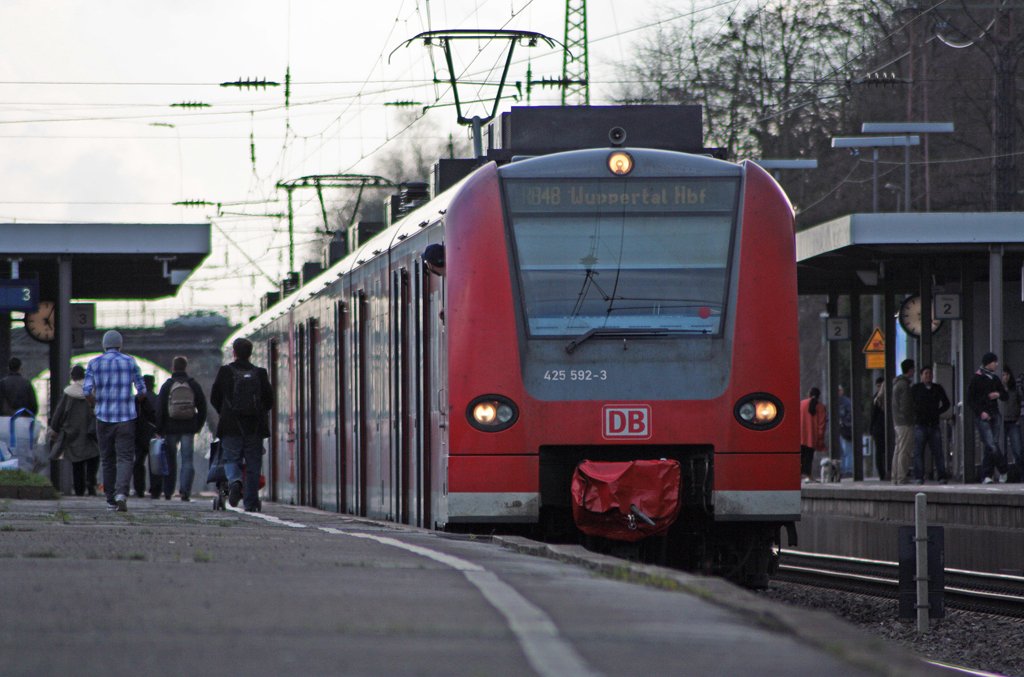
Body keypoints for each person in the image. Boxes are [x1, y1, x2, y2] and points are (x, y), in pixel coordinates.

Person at [83, 330, 146, 512]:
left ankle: (110, 499)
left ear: (104, 345)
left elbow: (87, 391)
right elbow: (142, 391)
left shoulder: (94, 363)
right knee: (125, 458)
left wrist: (96, 405)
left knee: (107, 459)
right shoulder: (130, 362)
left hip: (103, 417)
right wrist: (131, 401)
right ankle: (121, 494)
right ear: (120, 345)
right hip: (126, 417)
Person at [210, 338, 273, 511]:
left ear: (234, 353)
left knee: (232, 459)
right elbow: (269, 400)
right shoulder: (260, 373)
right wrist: (257, 412)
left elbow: (214, 397)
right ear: (250, 353)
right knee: (253, 464)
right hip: (254, 427)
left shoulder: (225, 371)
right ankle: (251, 503)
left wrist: (224, 413)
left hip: (231, 426)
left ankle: (235, 481)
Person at [156, 356, 208, 501]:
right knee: (187, 460)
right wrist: (197, 425)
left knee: (169, 461)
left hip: (170, 429)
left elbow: (160, 408)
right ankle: (185, 491)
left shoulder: (167, 385)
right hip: (188, 428)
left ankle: (168, 491)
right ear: (186, 367)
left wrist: (159, 429)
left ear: (173, 367)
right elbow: (203, 407)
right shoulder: (193, 385)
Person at [47, 365, 100, 496]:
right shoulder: (93, 391)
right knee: (93, 457)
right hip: (91, 432)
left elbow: (59, 413)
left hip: (73, 433)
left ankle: (79, 489)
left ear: (73, 377)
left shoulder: (68, 393)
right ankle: (91, 482)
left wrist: (54, 429)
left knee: (77, 463)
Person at [967, 352, 1008, 484]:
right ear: (987, 363)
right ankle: (1003, 469)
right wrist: (980, 412)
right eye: (994, 362)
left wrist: (998, 394)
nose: (996, 364)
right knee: (991, 444)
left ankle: (986, 475)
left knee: (990, 445)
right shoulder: (976, 379)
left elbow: (1004, 395)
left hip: (995, 414)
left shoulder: (995, 379)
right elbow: (970, 400)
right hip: (983, 415)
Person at [910, 366, 951, 484]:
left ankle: (941, 476)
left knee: (938, 451)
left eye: (930, 374)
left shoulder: (937, 388)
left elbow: (946, 403)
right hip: (920, 424)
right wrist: (916, 414)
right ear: (921, 376)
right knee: (918, 452)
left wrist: (937, 412)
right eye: (926, 374)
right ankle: (919, 476)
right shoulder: (916, 389)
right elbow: (910, 404)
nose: (928, 376)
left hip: (933, 424)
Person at [131, 375, 158, 498]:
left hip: (138, 434)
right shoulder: (157, 399)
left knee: (138, 463)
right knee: (155, 463)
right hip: (153, 435)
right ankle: (155, 490)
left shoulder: (135, 399)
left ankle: (139, 489)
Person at [891, 359, 915, 485]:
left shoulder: (897, 383)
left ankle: (895, 476)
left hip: (897, 421)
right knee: (904, 450)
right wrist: (911, 419)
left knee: (898, 449)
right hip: (904, 422)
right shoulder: (904, 385)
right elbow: (906, 405)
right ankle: (901, 477)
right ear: (910, 369)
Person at [799, 387, 827, 483]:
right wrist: (820, 439)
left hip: (800, 436)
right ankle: (809, 476)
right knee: (809, 457)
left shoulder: (801, 404)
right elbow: (821, 424)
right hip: (812, 437)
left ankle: (799, 475)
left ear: (809, 394)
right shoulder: (821, 407)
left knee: (800, 456)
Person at [999, 366, 1022, 479]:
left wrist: (1018, 417)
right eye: (1003, 375)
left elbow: (1019, 402)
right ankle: (1004, 474)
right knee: (1002, 449)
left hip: (1013, 420)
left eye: (1007, 374)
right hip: (1001, 421)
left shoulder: (1015, 390)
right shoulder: (998, 389)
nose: (1005, 377)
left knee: (1017, 449)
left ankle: (1021, 473)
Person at [869, 377, 887, 480]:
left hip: (880, 427)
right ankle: (882, 473)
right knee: (879, 452)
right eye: (878, 386)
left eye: (881, 386)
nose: (880, 388)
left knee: (881, 452)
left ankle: (884, 472)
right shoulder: (876, 398)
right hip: (878, 428)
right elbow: (872, 414)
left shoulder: (878, 398)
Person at [837, 385, 853, 477]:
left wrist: (844, 422)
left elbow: (850, 413)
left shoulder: (846, 402)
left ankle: (849, 470)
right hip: (838, 430)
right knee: (842, 451)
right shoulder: (835, 401)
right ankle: (842, 470)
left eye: (839, 390)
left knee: (847, 450)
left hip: (845, 429)